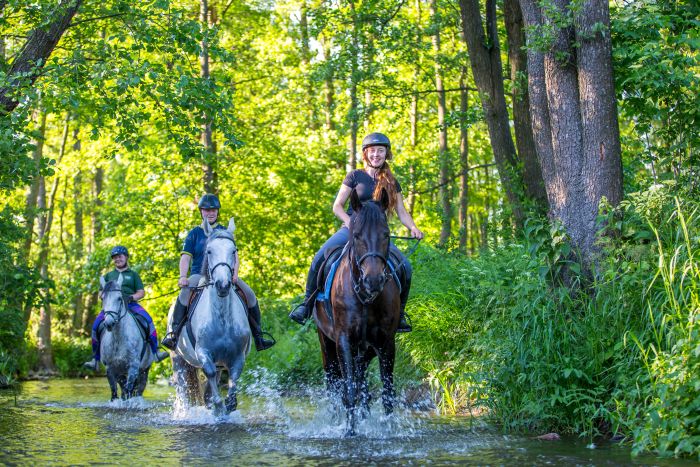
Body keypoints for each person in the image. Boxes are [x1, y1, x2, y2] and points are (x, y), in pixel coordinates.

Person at [289, 132, 423, 331]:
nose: (376, 154)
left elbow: (401, 211)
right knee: (319, 257)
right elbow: (337, 206)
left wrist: (412, 227)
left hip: (377, 235)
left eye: (380, 150)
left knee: (406, 267)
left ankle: (399, 315)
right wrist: (351, 223)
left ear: (386, 153)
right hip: (351, 230)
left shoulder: (391, 181)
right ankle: (306, 305)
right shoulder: (354, 176)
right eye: (372, 151)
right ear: (366, 154)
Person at [160, 194, 275, 351]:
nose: (210, 213)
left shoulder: (224, 231)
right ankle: (174, 335)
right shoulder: (194, 234)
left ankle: (259, 336)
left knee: (249, 294)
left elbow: (235, 256)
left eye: (213, 210)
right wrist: (182, 277)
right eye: (207, 210)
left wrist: (235, 274)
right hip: (199, 275)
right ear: (201, 211)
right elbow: (185, 258)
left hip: (224, 274)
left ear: (217, 212)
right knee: (184, 294)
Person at [83, 246, 170, 371]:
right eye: (115, 258)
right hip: (112, 307)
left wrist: (131, 297)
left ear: (126, 257)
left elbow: (141, 292)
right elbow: (100, 294)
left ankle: (156, 352)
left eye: (120, 256)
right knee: (96, 325)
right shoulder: (108, 276)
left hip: (130, 304)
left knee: (148, 320)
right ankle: (95, 359)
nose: (117, 259)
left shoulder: (133, 275)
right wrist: (107, 296)